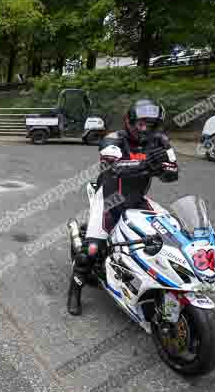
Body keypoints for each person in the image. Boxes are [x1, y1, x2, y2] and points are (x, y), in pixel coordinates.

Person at [67, 99, 179, 316]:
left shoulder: (162, 141)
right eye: (141, 124)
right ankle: (74, 292)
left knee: (166, 235)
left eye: (151, 124)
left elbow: (172, 175)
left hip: (137, 198)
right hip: (110, 199)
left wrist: (162, 169)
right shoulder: (113, 138)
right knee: (90, 250)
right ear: (130, 122)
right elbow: (112, 167)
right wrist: (147, 164)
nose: (145, 129)